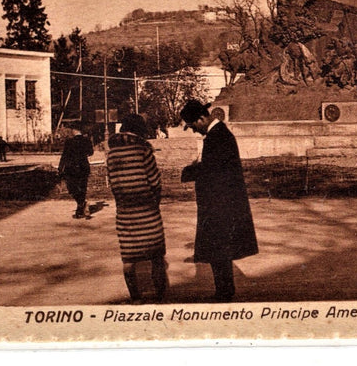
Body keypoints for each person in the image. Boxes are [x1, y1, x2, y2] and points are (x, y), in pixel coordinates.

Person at [180, 100, 258, 302]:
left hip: (220, 204)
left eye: (193, 126)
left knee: (218, 249)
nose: (194, 131)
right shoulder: (218, 134)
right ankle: (224, 290)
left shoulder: (217, 137)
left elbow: (212, 171)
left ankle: (223, 292)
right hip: (222, 202)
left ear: (201, 118)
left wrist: (189, 171)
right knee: (220, 250)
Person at [106, 114, 168, 303]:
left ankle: (136, 298)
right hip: (148, 211)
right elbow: (155, 182)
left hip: (125, 213)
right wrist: (153, 204)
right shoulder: (143, 150)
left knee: (129, 259)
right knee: (156, 256)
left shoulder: (112, 154)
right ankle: (159, 298)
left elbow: (113, 185)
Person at [58, 123, 94, 219]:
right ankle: (82, 206)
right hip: (83, 167)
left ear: (74, 130)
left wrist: (60, 167)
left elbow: (64, 156)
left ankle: (81, 207)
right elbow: (90, 153)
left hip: (71, 168)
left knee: (72, 188)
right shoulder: (87, 140)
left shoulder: (69, 141)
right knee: (82, 188)